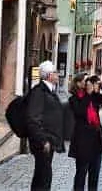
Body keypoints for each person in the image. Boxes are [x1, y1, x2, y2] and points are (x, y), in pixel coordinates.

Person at [68, 74, 102, 191]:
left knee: (94, 176)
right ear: (79, 83)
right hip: (82, 143)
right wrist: (88, 95)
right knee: (81, 175)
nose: (88, 83)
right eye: (85, 81)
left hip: (96, 142)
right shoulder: (74, 99)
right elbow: (80, 112)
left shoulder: (94, 97)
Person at [26, 61, 67, 191]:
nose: (58, 74)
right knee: (43, 177)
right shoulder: (39, 92)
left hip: (50, 141)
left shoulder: (49, 91)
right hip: (43, 143)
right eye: (55, 72)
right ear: (49, 75)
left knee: (42, 175)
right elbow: (33, 119)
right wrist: (43, 141)